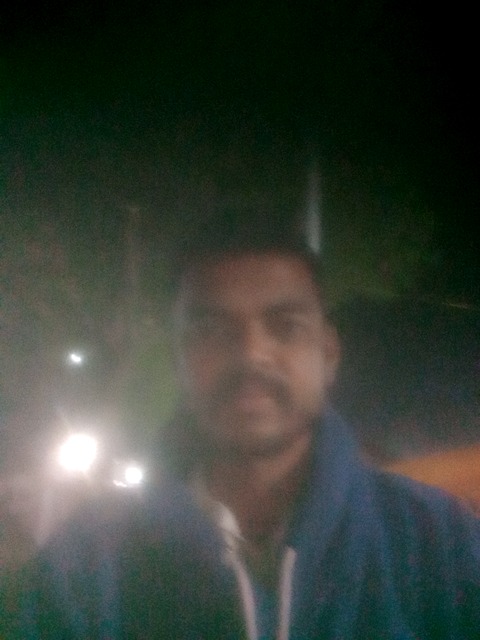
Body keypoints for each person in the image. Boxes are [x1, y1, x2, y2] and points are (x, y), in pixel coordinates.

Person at [2, 210, 480, 639]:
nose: (251, 354)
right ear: (179, 359)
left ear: (329, 353)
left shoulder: (440, 545)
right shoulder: (83, 570)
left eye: (286, 326)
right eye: (211, 330)